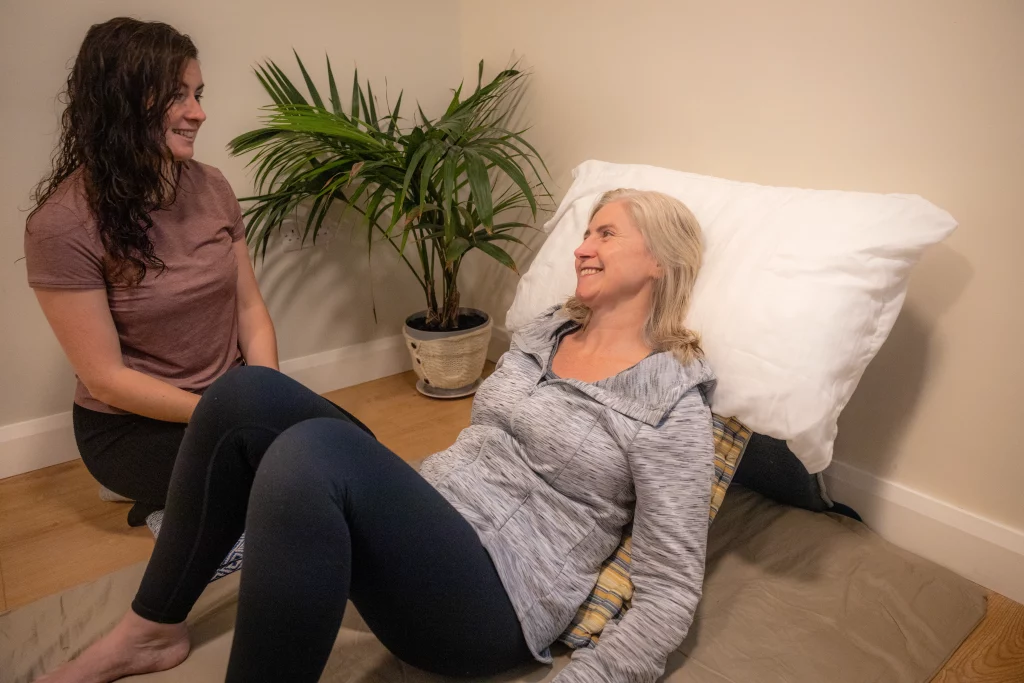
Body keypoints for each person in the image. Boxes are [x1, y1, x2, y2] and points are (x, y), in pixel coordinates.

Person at [36, 188, 716, 683]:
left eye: (604, 233)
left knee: (309, 456)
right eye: (586, 232)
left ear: (658, 260)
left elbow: (668, 590)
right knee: (244, 395)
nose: (581, 246)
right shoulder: (544, 334)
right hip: (432, 522)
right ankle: (151, 627)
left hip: (494, 598)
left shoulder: (670, 403)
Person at [24, 18, 279, 525]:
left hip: (229, 398)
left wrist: (268, 394)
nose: (199, 113)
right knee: (285, 482)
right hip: (131, 427)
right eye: (176, 96)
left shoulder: (213, 186)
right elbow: (107, 380)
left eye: (198, 93)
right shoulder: (61, 224)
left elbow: (250, 308)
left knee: (350, 444)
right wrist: (231, 417)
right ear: (122, 101)